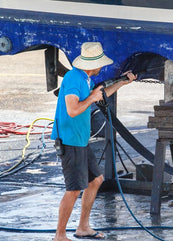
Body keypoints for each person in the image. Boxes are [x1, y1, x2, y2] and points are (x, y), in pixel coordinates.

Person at [51, 42, 136, 241]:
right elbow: (73, 110)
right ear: (93, 64)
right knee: (73, 190)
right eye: (100, 64)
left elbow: (99, 95)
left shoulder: (85, 78)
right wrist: (91, 98)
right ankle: (59, 235)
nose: (102, 68)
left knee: (95, 180)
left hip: (80, 140)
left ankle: (82, 227)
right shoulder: (74, 79)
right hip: (70, 141)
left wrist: (123, 82)